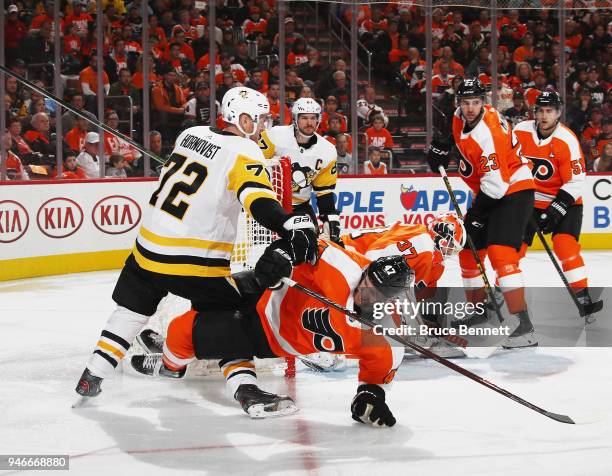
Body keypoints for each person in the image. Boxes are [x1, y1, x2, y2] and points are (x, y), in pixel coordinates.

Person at [74, 87, 318, 416]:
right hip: (193, 259)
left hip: (148, 246)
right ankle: (245, 390)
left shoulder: (190, 133)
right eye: (259, 119)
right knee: (233, 314)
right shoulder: (245, 150)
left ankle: (93, 374)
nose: (263, 126)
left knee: (131, 310)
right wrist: (288, 222)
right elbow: (257, 201)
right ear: (242, 119)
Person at [130, 241, 410, 426]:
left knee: (183, 330)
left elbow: (376, 378)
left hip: (269, 333)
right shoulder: (345, 266)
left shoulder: (387, 338)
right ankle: (185, 356)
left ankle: (171, 365)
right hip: (264, 287)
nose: (364, 290)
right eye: (367, 281)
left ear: (391, 298)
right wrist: (283, 255)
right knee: (200, 296)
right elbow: (305, 243)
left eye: (374, 291)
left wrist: (369, 398)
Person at [426, 78, 536, 348]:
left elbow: (496, 187)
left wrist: (475, 215)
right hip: (490, 190)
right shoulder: (458, 116)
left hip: (513, 190)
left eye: (476, 102)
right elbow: (452, 134)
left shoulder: (489, 134)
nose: (471, 108)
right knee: (467, 250)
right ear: (459, 103)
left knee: (501, 253)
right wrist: (440, 146)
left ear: (484, 103)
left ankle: (524, 325)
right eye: (466, 102)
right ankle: (479, 310)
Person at [515, 91, 600, 322]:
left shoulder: (567, 140)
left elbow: (576, 180)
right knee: (513, 248)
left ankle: (583, 295)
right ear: (535, 112)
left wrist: (555, 209)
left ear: (558, 113)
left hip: (566, 198)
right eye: (540, 111)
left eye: (549, 111)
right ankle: (504, 292)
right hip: (530, 200)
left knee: (565, 247)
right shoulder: (520, 131)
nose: (544, 115)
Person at [258, 98, 342, 246]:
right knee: (260, 247)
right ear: (295, 119)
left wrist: (330, 218)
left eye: (312, 118)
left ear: (318, 120)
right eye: (304, 118)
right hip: (269, 204)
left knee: (310, 247)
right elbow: (254, 164)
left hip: (300, 207)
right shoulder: (274, 136)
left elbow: (324, 192)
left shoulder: (327, 150)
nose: (309, 122)